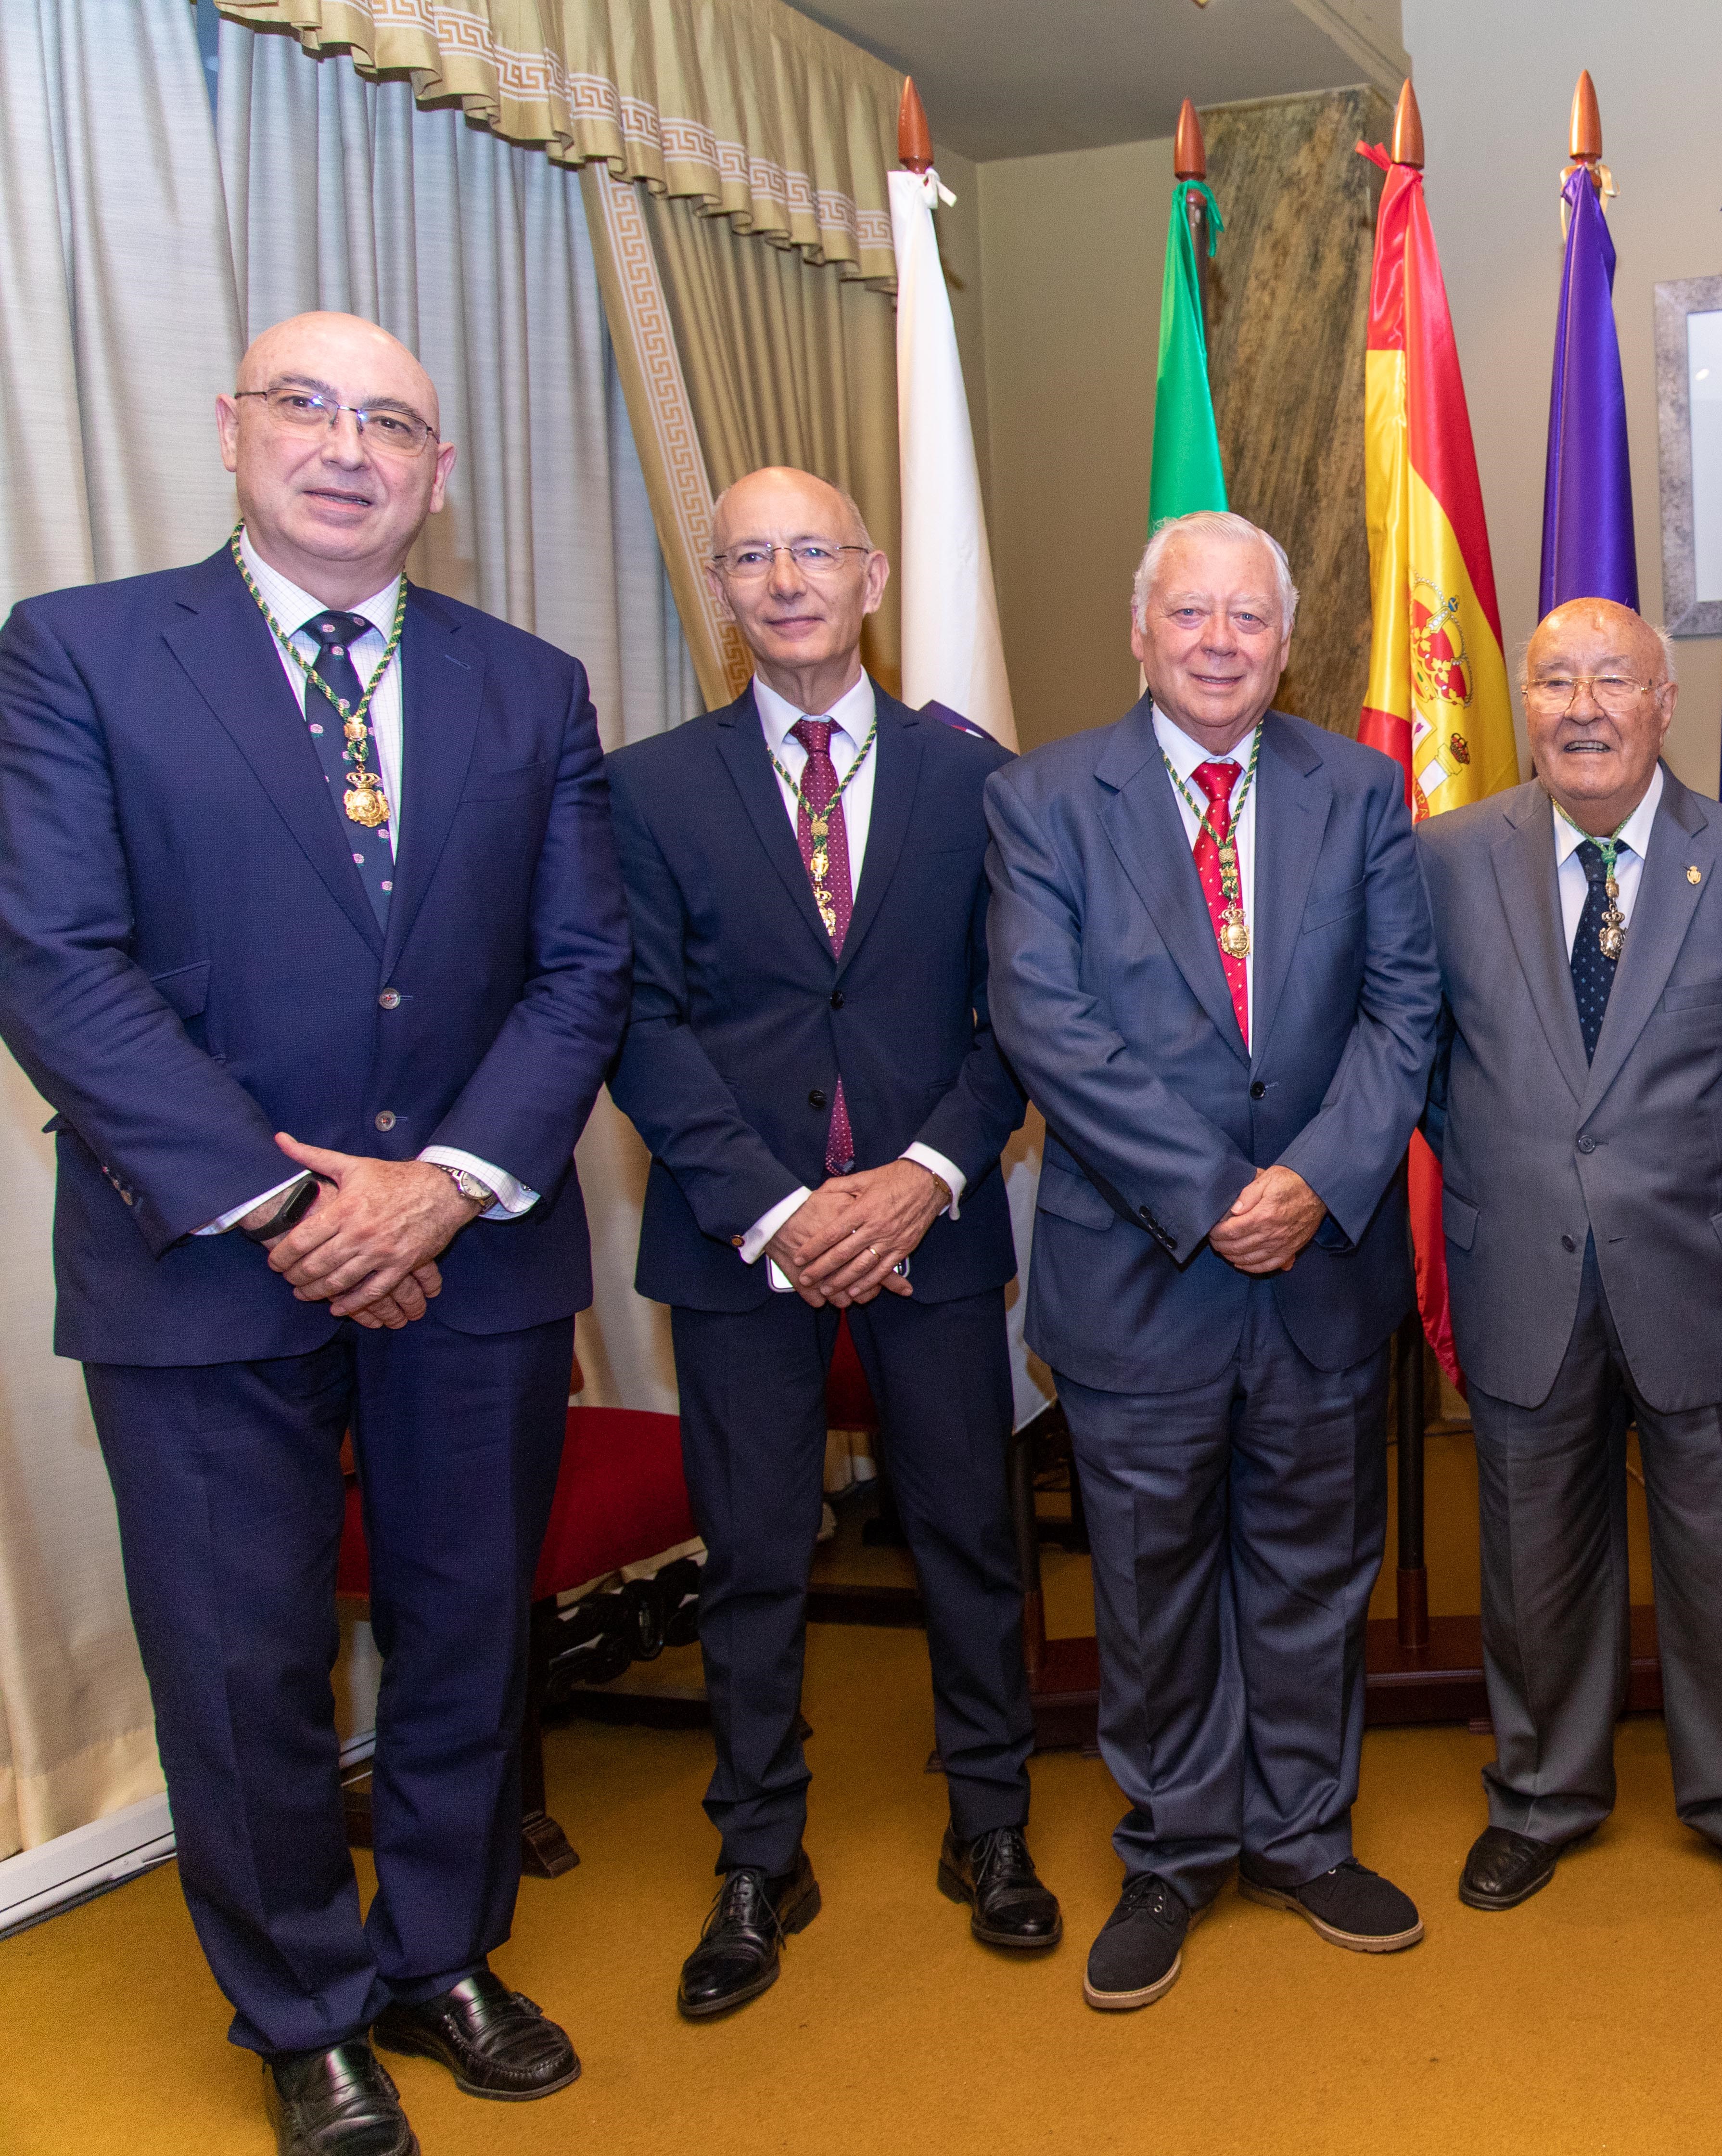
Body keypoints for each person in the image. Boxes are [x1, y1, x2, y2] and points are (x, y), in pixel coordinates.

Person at [0, 313, 628, 2156]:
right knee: (241, 1659)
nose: (348, 448)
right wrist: (294, 1204)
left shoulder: (533, 687)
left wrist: (442, 1186)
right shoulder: (79, 653)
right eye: (308, 407)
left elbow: (582, 970)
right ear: (232, 430)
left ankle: (441, 1955)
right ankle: (304, 2011)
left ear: (440, 474)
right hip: (203, 1261)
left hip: (474, 1252)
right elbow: (56, 961)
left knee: (465, 1632)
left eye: (392, 424)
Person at [604, 467, 1049, 2020]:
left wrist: (923, 1175)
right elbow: (638, 1025)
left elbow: (1018, 1020)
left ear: (872, 575)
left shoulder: (978, 780)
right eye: (752, 558)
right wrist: (781, 1208)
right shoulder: (646, 789)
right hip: (740, 1239)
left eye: (814, 551)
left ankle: (991, 1823)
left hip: (934, 1223)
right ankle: (757, 1854)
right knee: (749, 1555)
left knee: (968, 1539)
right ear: (722, 589)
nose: (786, 581)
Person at [985, 509, 1441, 2011]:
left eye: (1249, 617)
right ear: (1141, 632)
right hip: (1141, 1270)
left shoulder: (1360, 789)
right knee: (1152, 1579)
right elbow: (1048, 1027)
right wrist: (1214, 1191)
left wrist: (1314, 1180)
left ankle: (1304, 1835)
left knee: (1316, 1571)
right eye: (1191, 614)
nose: (1220, 642)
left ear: (1286, 640)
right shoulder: (1044, 800)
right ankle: (1175, 1852)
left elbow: (1405, 1014)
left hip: (1321, 1264)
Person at [1416, 597, 1722, 1925]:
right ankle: (1541, 1795)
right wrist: (1529, 1164)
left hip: (1698, 1262)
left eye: (1613, 681)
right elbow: (1427, 1069)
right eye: (1555, 681)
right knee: (1532, 1554)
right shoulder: (1444, 861)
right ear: (1522, 704)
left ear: (1665, 703)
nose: (1583, 708)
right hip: (1519, 1259)